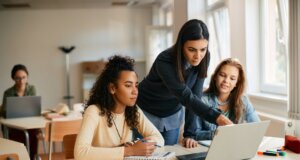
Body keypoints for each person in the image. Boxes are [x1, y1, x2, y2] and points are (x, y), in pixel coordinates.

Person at [137, 19, 232, 145]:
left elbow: (195, 95)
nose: (198, 56)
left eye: (203, 49)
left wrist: (190, 134)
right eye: (192, 49)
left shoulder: (205, 57)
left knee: (170, 155)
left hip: (172, 113)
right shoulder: (164, 60)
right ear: (181, 45)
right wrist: (217, 117)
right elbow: (185, 96)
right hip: (146, 111)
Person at [74, 55, 164, 160]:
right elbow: (80, 153)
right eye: (128, 85)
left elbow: (159, 138)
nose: (135, 91)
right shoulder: (94, 111)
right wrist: (130, 150)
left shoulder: (133, 110)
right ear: (112, 88)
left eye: (136, 85)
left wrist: (134, 145)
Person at [183, 58, 260, 148]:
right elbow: (194, 134)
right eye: (222, 75)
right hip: (209, 149)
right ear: (215, 77)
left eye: (232, 78)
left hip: (235, 148)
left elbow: (257, 128)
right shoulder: (201, 100)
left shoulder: (243, 100)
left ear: (236, 83)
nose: (226, 81)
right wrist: (219, 134)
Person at [0, 64, 39, 159]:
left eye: (23, 77)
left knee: (34, 132)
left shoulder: (32, 89)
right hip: (14, 125)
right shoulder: (8, 92)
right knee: (17, 134)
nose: (21, 81)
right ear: (13, 78)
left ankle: (31, 157)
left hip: (30, 124)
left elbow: (34, 108)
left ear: (27, 77)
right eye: (18, 78)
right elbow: (4, 112)